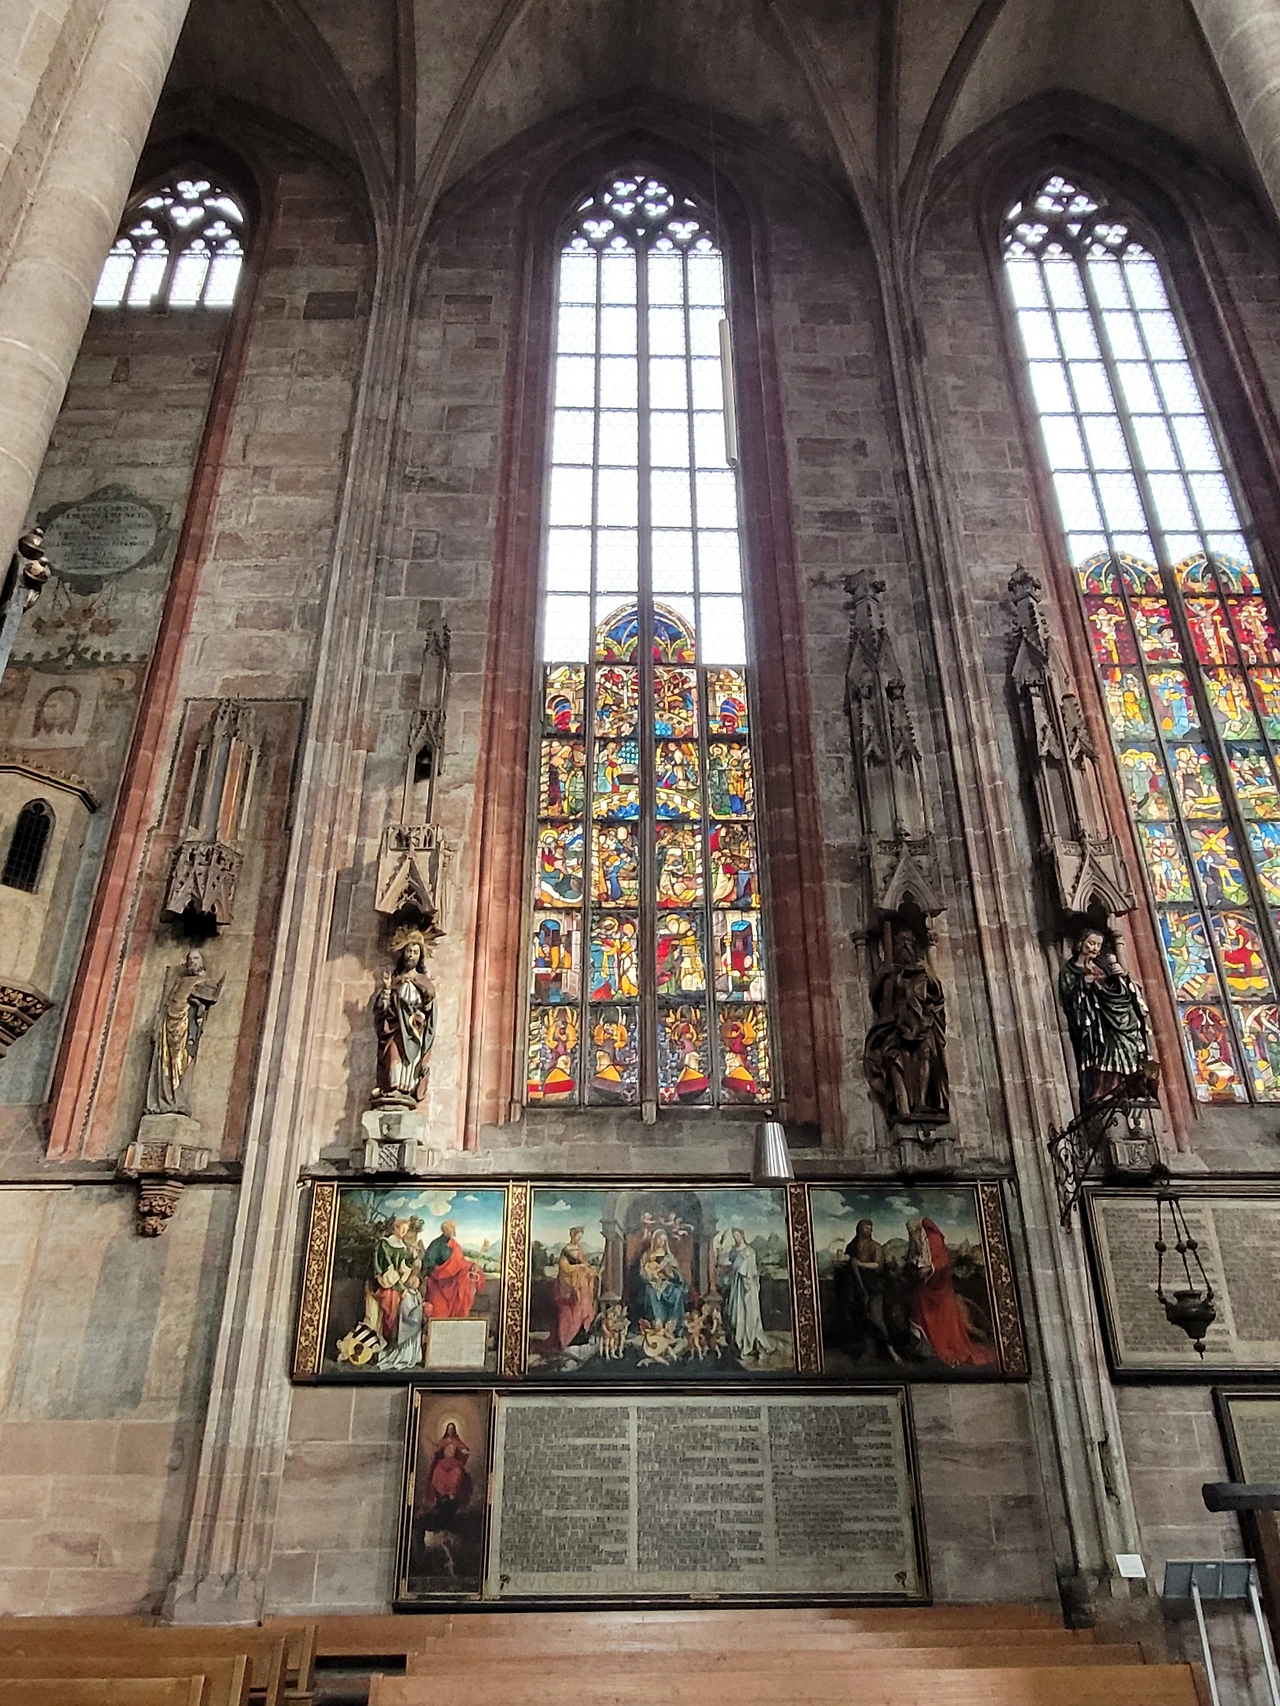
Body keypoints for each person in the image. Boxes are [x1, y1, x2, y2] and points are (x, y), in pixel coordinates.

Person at [1057, 927, 1157, 1106]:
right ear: (1081, 944)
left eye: (1098, 945)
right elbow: (1070, 998)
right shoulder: (1071, 970)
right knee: (1107, 1049)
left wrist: (1122, 977)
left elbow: (1121, 990)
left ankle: (1133, 1088)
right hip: (1098, 1021)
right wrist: (1083, 984)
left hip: (1119, 1015)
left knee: (1130, 1045)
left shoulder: (1103, 967)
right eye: (1091, 943)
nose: (1095, 948)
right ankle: (1106, 1090)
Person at [863, 927, 948, 1125]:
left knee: (926, 1054)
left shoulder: (921, 971)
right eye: (901, 940)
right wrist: (884, 972)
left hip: (921, 1022)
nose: (905, 944)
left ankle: (922, 1101)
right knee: (896, 1059)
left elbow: (936, 993)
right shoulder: (890, 972)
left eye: (909, 940)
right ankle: (903, 1106)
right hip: (896, 1024)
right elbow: (876, 995)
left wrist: (927, 970)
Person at [907, 1217, 995, 1367]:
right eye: (909, 1232)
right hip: (928, 1284)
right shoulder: (917, 1241)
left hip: (938, 1287)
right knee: (915, 1297)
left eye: (912, 1231)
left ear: (917, 1229)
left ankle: (939, 1345)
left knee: (920, 1298)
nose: (911, 1234)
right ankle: (924, 1348)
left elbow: (943, 1262)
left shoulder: (933, 1239)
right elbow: (917, 1258)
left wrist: (929, 1269)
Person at [144, 950, 223, 1116]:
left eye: (196, 958)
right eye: (190, 959)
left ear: (202, 961)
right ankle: (164, 1100)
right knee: (164, 1059)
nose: (192, 961)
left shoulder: (206, 982)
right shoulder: (181, 981)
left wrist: (198, 1004)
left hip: (187, 1024)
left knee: (183, 1061)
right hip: (169, 1022)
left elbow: (204, 1007)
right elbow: (167, 1002)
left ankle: (179, 1100)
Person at [373, 933, 436, 1105]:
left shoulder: (424, 982)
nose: (411, 955)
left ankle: (406, 1089)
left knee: (410, 1058)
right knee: (393, 1052)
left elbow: (430, 1012)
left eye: (415, 952)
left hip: (414, 1028)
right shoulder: (396, 981)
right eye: (409, 951)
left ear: (420, 956)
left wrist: (427, 1001)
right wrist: (387, 989)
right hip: (396, 1028)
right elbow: (382, 1010)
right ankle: (392, 1088)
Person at [543, 1226, 599, 1356]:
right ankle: (567, 1340)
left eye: (581, 1236)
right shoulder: (566, 1250)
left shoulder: (580, 1250)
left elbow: (584, 1264)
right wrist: (580, 1268)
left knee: (583, 1310)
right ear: (573, 1235)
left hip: (582, 1288)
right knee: (569, 1314)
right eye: (578, 1235)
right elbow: (565, 1268)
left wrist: (591, 1271)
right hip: (570, 1289)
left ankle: (580, 1337)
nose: (579, 1238)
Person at [719, 1226, 771, 1361]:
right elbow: (729, 1265)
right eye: (734, 1235)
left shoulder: (749, 1252)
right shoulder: (733, 1251)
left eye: (737, 1235)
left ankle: (747, 1345)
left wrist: (745, 1279)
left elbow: (750, 1272)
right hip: (736, 1287)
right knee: (735, 1315)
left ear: (742, 1235)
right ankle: (738, 1344)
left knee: (749, 1315)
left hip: (747, 1288)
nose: (736, 1237)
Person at [366, 1215, 418, 1345]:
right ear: (395, 1228)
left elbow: (402, 1267)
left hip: (393, 1285)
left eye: (406, 1230)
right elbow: (387, 1269)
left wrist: (411, 1258)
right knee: (385, 1309)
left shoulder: (402, 1247)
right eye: (402, 1229)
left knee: (396, 1306)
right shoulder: (384, 1244)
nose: (404, 1232)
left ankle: (389, 1339)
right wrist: (401, 1288)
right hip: (382, 1284)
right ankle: (380, 1340)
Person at [422, 1219, 485, 1319]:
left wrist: (471, 1266)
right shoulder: (436, 1244)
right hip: (438, 1283)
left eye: (453, 1228)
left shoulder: (455, 1245)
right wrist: (439, 1272)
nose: (453, 1231)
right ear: (445, 1230)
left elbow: (460, 1263)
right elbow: (428, 1262)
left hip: (453, 1281)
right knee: (438, 1312)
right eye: (451, 1228)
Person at [422, 1422, 471, 1530]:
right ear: (446, 1430)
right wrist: (437, 1451)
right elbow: (436, 1452)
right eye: (449, 1429)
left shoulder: (457, 1441)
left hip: (454, 1463)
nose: (450, 1431)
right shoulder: (442, 1441)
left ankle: (451, 1494)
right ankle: (440, 1495)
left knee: (457, 1472)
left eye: (452, 1429)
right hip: (443, 1463)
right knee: (437, 1472)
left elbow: (465, 1450)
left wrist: (464, 1452)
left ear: (454, 1430)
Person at [636, 1227, 688, 1327]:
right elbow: (642, 1272)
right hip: (652, 1284)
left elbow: (675, 1272)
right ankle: (657, 1323)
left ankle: (673, 1323)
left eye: (664, 1240)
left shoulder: (668, 1256)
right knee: (651, 1293)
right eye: (660, 1239)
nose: (661, 1242)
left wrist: (670, 1274)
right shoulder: (647, 1255)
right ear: (655, 1239)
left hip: (667, 1284)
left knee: (677, 1293)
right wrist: (651, 1275)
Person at [380, 1264, 426, 1371]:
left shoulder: (417, 1294)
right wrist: (421, 1308)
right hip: (408, 1326)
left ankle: (415, 1358)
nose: (418, 1283)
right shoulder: (407, 1296)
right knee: (406, 1347)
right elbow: (407, 1314)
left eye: (418, 1281)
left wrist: (421, 1308)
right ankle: (405, 1358)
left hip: (416, 1326)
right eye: (416, 1281)